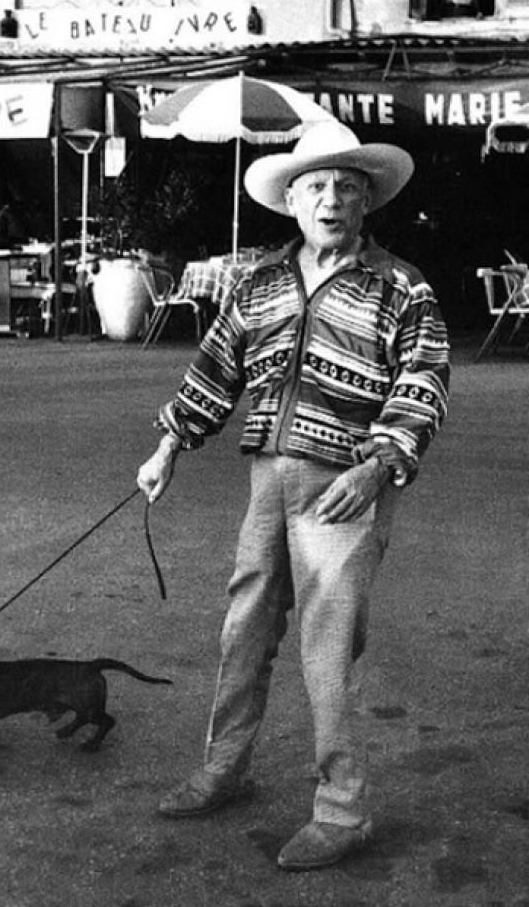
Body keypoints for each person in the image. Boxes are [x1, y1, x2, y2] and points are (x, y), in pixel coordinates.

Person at [136, 121, 450, 871]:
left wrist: (375, 469)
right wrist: (168, 445)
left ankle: (344, 811)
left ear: (368, 199)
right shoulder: (263, 281)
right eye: (316, 186)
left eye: (347, 186)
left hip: (344, 483)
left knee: (329, 646)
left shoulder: (402, 287)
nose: (331, 199)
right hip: (266, 478)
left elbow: (424, 384)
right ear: (292, 201)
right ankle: (225, 765)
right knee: (245, 623)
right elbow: (216, 368)